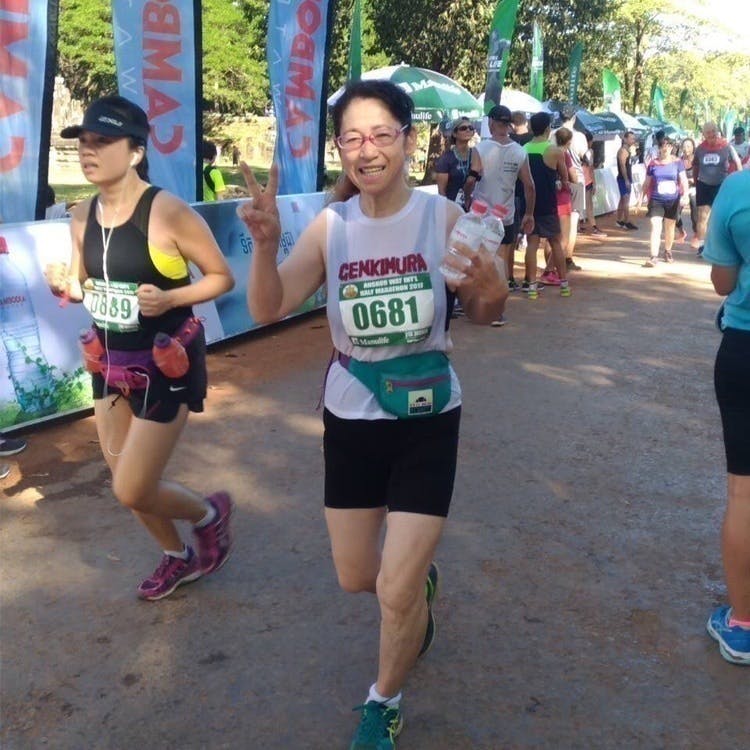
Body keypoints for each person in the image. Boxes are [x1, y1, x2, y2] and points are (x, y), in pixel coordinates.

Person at [237, 79, 506, 749]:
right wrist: (266, 246)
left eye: (382, 134)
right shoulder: (333, 226)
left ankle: (383, 701)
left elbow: (486, 312)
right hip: (351, 416)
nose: (367, 150)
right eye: (352, 138)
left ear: (408, 142)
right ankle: (418, 586)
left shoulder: (444, 218)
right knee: (358, 576)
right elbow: (267, 308)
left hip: (427, 418)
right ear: (340, 149)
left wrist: (492, 287)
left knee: (393, 588)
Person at [45, 95, 235, 601]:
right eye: (84, 142)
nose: (88, 151)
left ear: (135, 152)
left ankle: (209, 514)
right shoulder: (81, 215)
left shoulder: (167, 212)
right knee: (127, 483)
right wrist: (65, 284)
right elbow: (87, 285)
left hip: (165, 365)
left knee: (131, 486)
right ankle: (178, 556)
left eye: (102, 142)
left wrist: (171, 297)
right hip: (108, 366)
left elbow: (221, 277)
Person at [702, 168, 750, 666]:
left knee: (744, 491)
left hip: (744, 348)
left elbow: (723, 283)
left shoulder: (737, 189)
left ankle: (743, 625)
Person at [474, 104, 535, 304]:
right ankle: (498, 303)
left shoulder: (480, 149)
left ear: (491, 123)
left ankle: (483, 299)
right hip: (505, 214)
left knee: (482, 256)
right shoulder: (519, 151)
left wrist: (466, 196)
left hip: (481, 214)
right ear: (509, 124)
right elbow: (530, 186)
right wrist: (529, 213)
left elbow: (471, 179)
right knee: (501, 258)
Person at [524, 111, 571, 298]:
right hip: (548, 203)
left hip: (529, 203)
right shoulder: (555, 151)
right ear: (547, 129)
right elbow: (565, 178)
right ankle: (564, 284)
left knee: (532, 244)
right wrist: (562, 184)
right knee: (556, 242)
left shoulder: (523, 148)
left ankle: (531, 286)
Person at [640, 134, 689, 267]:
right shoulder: (653, 164)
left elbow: (684, 180)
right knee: (655, 225)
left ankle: (667, 251)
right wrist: (640, 199)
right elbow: (647, 183)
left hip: (673, 200)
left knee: (670, 226)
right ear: (659, 148)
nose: (665, 148)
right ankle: (653, 256)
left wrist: (685, 195)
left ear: (672, 147)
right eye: (662, 145)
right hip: (656, 199)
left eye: (668, 145)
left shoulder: (678, 162)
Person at [694, 122, 742, 255]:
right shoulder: (700, 149)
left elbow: (738, 163)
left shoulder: (727, 147)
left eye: (713, 131)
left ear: (717, 131)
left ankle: (722, 245)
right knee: (702, 216)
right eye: (708, 132)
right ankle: (702, 246)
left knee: (721, 216)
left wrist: (739, 181)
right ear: (704, 134)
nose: (711, 134)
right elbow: (696, 166)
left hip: (722, 185)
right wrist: (696, 183)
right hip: (704, 184)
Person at [554, 107, 587, 270]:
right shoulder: (579, 137)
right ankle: (567, 258)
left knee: (557, 221)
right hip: (575, 180)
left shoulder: (552, 134)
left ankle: (554, 260)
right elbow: (585, 157)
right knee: (573, 222)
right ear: (573, 118)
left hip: (556, 181)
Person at [434, 116, 481, 211]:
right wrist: (447, 209)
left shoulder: (476, 154)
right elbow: (441, 191)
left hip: (472, 207)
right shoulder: (446, 158)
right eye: (463, 128)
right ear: (455, 134)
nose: (468, 130)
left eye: (470, 128)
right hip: (452, 207)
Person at [580, 131, 606, 237]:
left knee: (577, 206)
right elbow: (591, 169)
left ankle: (578, 226)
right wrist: (594, 183)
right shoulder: (590, 151)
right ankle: (594, 227)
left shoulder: (576, 150)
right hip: (587, 181)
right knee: (589, 205)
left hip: (579, 180)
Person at [676, 137, 698, 245]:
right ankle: (681, 232)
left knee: (694, 209)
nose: (686, 149)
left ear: (693, 147)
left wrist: (693, 180)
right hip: (682, 189)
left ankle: (696, 234)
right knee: (675, 214)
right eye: (684, 146)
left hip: (694, 187)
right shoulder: (678, 160)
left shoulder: (697, 160)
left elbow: (702, 175)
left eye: (689, 146)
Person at [616, 131, 638, 230]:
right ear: (625, 139)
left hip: (625, 178)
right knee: (626, 200)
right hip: (623, 179)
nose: (633, 140)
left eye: (633, 138)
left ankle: (619, 220)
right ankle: (626, 221)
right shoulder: (623, 151)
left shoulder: (627, 150)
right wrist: (626, 180)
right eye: (631, 138)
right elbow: (622, 166)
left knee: (623, 200)